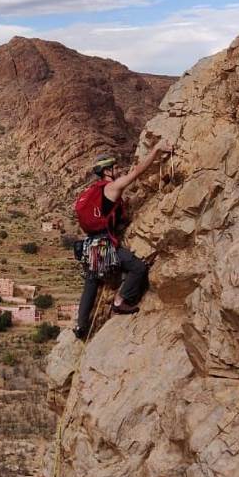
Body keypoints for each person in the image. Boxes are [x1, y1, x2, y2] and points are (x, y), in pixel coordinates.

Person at [73, 140, 172, 340]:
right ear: (107, 171)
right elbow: (137, 173)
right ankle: (120, 300)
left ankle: (81, 325)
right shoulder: (111, 187)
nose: (118, 170)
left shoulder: (91, 191)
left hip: (90, 246)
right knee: (138, 268)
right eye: (115, 167)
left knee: (91, 283)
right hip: (104, 246)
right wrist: (156, 150)